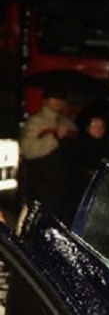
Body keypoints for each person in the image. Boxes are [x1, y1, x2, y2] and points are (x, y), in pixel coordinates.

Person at [18, 84, 79, 223]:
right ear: (45, 100)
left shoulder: (68, 122)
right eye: (53, 96)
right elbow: (28, 150)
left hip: (63, 188)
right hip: (40, 185)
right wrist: (54, 137)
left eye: (61, 97)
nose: (58, 100)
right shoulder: (36, 122)